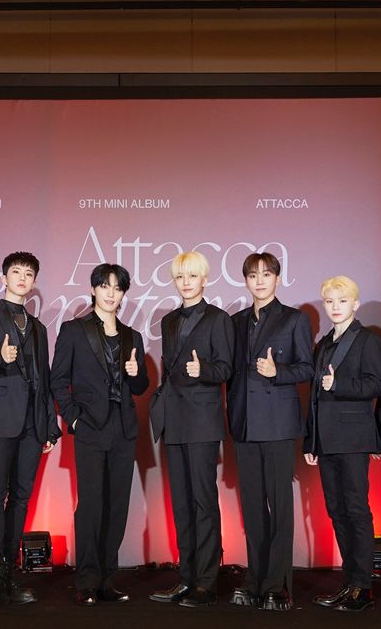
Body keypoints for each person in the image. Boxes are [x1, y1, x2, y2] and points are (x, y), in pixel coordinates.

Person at [0, 251, 60, 609]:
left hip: (33, 424)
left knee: (21, 497)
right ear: (4, 278)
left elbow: (43, 379)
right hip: (1, 418)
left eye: (28, 274)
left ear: (33, 282)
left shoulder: (38, 328)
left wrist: (49, 426)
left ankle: (10, 571)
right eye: (16, 272)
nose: (22, 278)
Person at [51, 263, 150, 605]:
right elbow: (57, 380)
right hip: (90, 428)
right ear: (93, 289)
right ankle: (86, 581)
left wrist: (136, 373)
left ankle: (107, 580)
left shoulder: (132, 336)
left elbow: (141, 387)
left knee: (116, 506)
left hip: (123, 429)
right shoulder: (73, 330)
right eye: (105, 286)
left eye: (117, 288)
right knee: (91, 506)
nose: (111, 293)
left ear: (123, 294)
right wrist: (74, 419)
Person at [225, 251, 313, 611]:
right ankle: (255, 580)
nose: (259, 281)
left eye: (266, 274)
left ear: (278, 278)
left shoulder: (294, 319)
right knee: (252, 508)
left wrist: (278, 372)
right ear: (245, 280)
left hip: (277, 424)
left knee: (279, 507)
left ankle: (278, 585)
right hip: (245, 424)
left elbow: (307, 367)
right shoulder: (235, 321)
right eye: (252, 275)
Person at [148, 251, 234, 608]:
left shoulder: (218, 319)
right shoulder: (169, 320)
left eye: (192, 276)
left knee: (203, 501)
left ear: (204, 280)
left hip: (202, 420)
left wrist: (205, 371)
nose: (185, 283)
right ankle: (186, 577)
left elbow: (226, 368)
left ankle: (207, 581)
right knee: (181, 503)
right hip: (174, 420)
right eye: (180, 277)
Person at [303, 276, 381, 612]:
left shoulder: (368, 340)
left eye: (342, 300)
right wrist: (311, 440)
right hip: (326, 440)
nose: (335, 307)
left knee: (356, 510)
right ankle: (349, 582)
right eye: (330, 301)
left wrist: (340, 384)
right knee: (336, 510)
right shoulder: (323, 344)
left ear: (355, 304)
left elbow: (376, 384)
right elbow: (314, 398)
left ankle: (362, 587)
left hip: (353, 438)